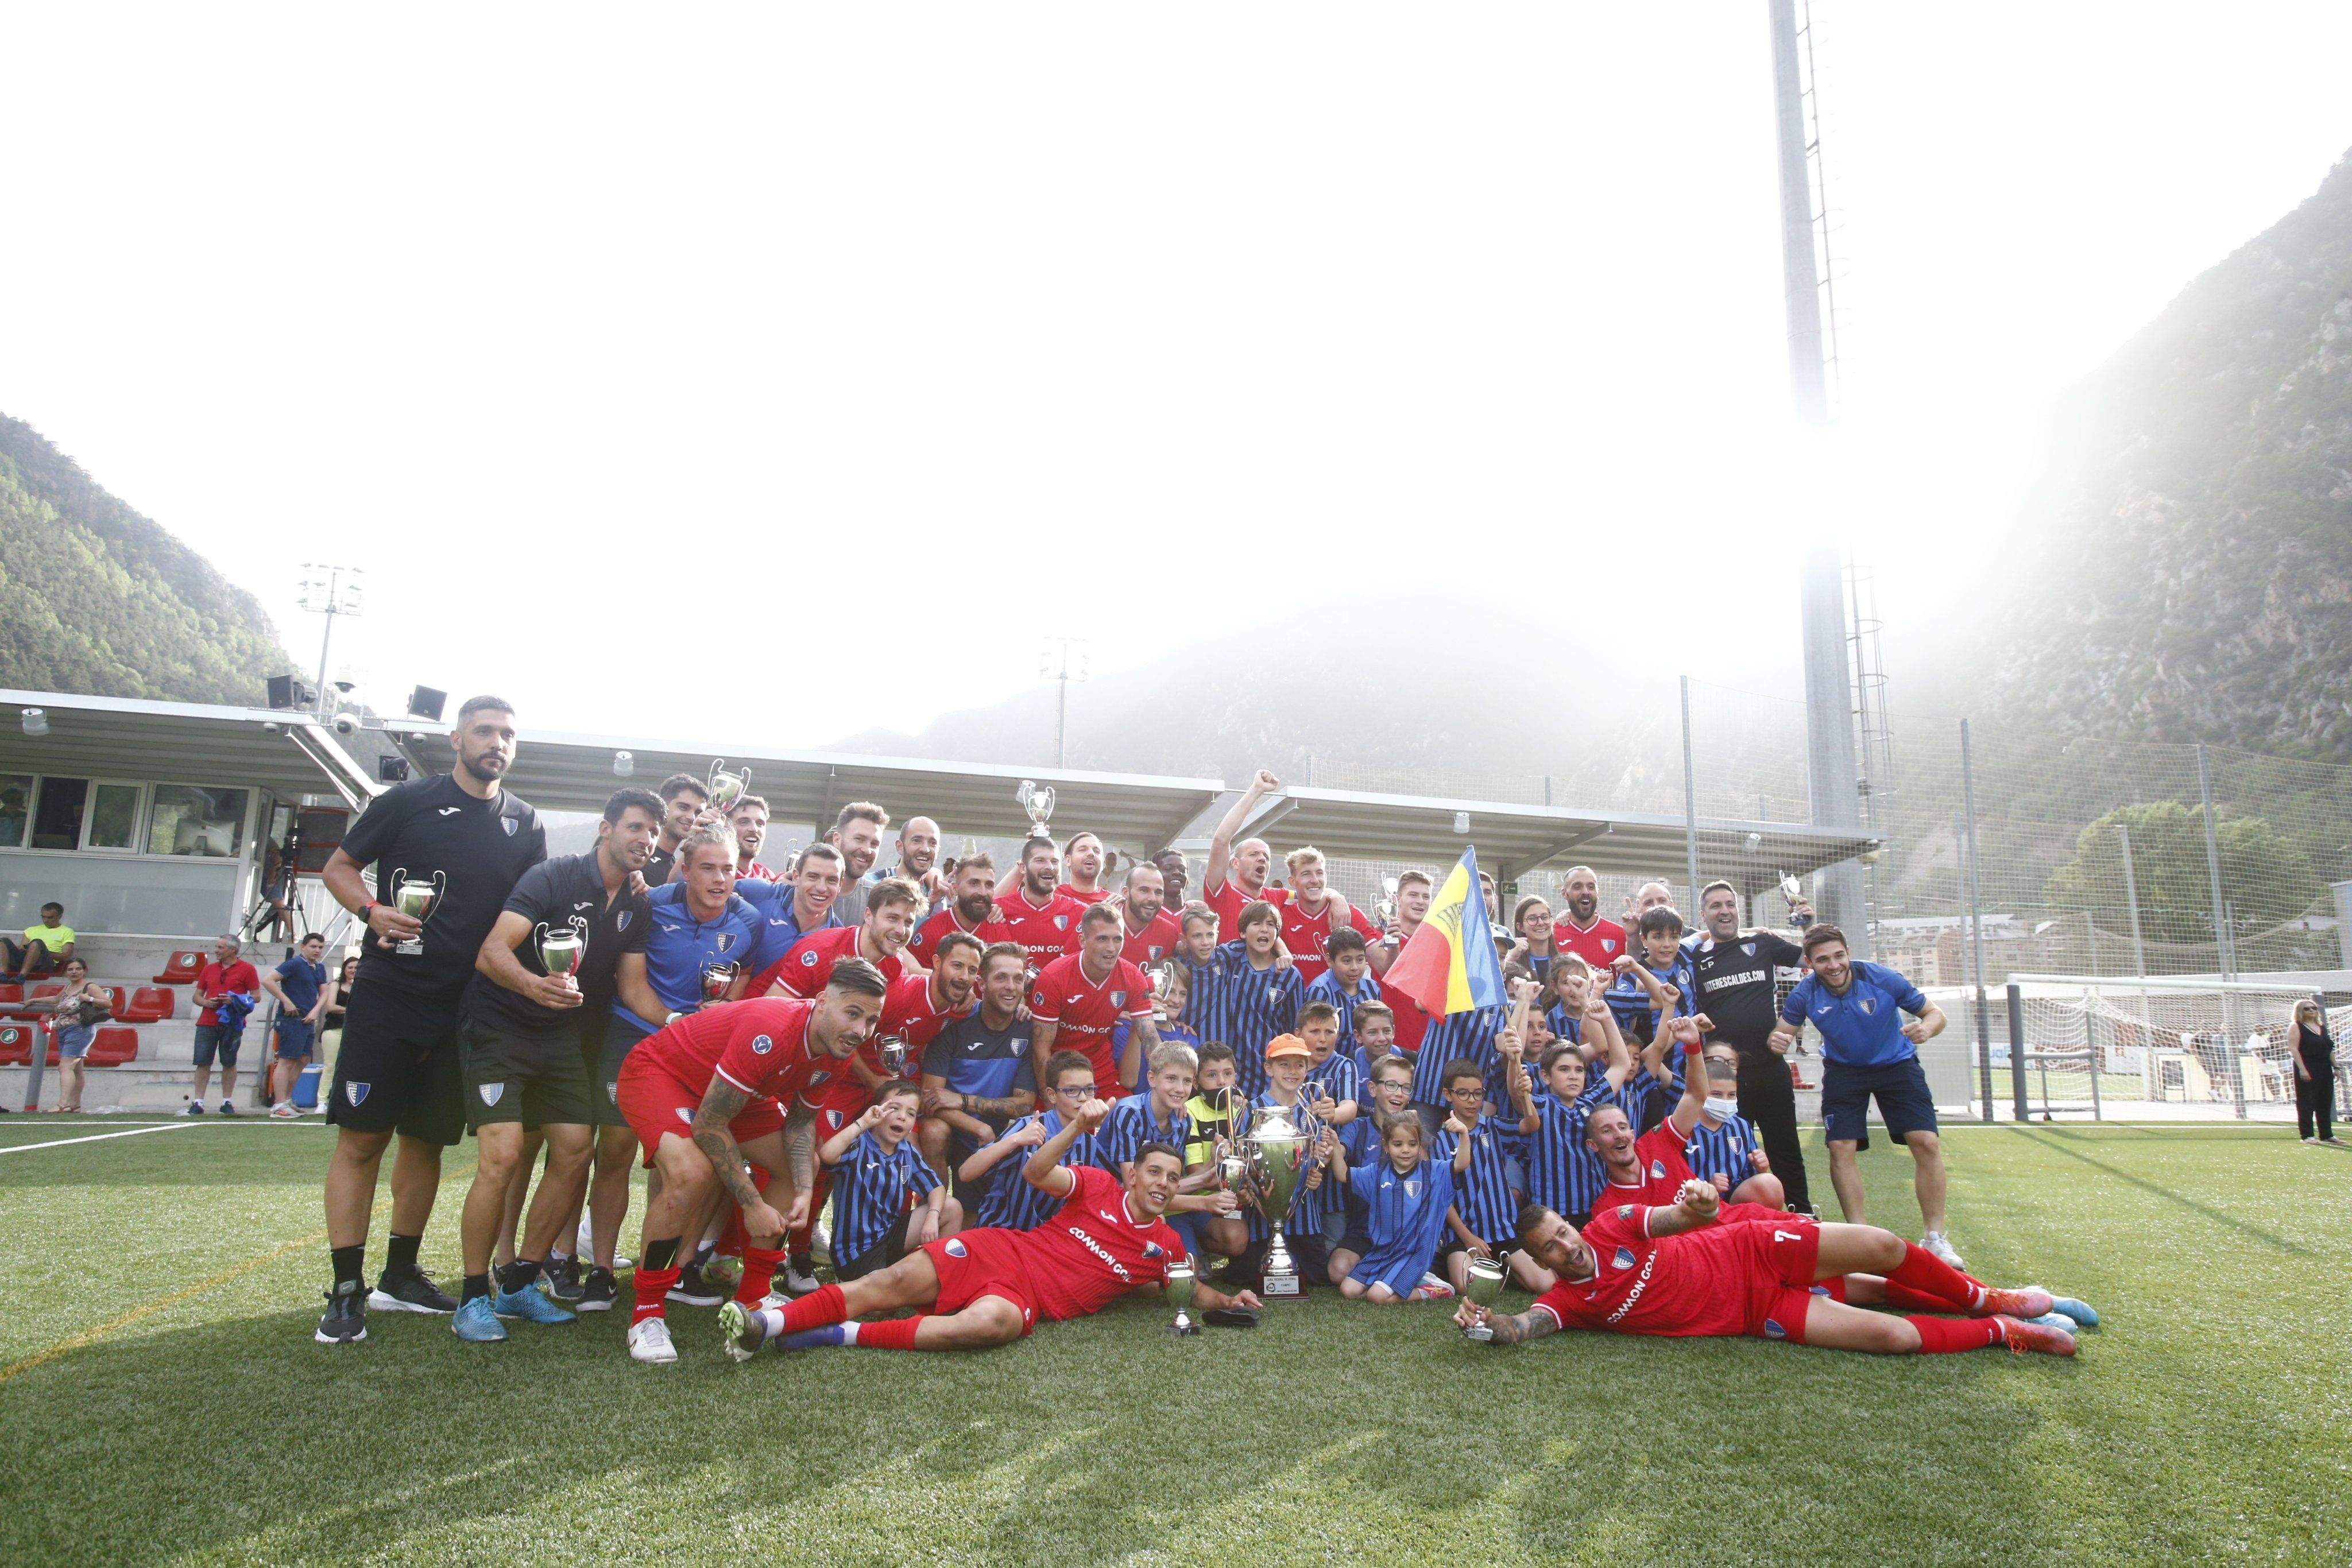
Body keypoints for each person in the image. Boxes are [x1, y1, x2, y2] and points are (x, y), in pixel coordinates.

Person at [316, 695, 547, 1345]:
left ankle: (399, 1275)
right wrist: (370, 911)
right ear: (456, 739)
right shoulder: (406, 802)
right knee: (362, 1140)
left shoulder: (525, 823)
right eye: (484, 731)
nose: (497, 742)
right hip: (390, 995)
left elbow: (538, 902)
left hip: (467, 1008)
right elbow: (338, 868)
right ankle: (345, 1288)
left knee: (425, 1142)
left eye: (507, 734)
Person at [722, 1101, 1259, 1357]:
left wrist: (1229, 1300)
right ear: (1133, 1175)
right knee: (886, 1284)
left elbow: (1192, 1291)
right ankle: (767, 1323)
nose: (1163, 1184)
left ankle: (838, 1333)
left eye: (1172, 1177)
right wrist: (1075, 1125)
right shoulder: (1097, 1185)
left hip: (1025, 1298)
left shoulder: (1165, 1244)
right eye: (1154, 1173)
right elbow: (1037, 1172)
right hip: (1000, 1249)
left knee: (988, 1326)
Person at [447, 787, 658, 1341]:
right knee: (502, 1156)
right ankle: (472, 1297)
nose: (646, 839)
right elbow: (492, 950)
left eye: (653, 832)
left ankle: (519, 1284)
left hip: (560, 1036)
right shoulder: (553, 875)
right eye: (635, 826)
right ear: (606, 828)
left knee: (575, 1150)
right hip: (501, 1028)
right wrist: (532, 985)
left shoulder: (637, 903)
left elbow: (634, 988)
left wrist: (683, 1020)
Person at [611, 963, 890, 1363]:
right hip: (664, 1073)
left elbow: (800, 1123)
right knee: (692, 1174)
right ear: (822, 1002)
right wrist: (752, 1204)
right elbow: (710, 1124)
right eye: (853, 1013)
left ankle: (754, 1294)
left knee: (799, 1167)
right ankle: (647, 1311)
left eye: (871, 1020)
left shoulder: (838, 1049)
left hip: (734, 1093)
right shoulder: (773, 1029)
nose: (861, 1030)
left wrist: (805, 1190)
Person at [1456, 1185, 2085, 1357]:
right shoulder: (1570, 1303)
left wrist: (1700, 1205)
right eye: (1551, 1249)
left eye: (1563, 1233)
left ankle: (1989, 1298)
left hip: (1754, 1249)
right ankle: (2005, 1330)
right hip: (1756, 1312)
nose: (1567, 1248)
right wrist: (1486, 1324)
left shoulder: (1612, 1224)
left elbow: (1676, 1218)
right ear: (1541, 1260)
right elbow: (1521, 1326)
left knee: (1881, 1247)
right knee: (1893, 1336)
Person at [1767, 926, 1959, 1265]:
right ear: (1809, 963)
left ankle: (1935, 1238)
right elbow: (1781, 1034)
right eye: (1823, 960)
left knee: (1926, 1141)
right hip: (1844, 1071)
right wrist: (1777, 1041)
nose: (1834, 965)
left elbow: (1935, 1014)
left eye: (1839, 956)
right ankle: (1860, 1239)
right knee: (1841, 1147)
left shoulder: (1882, 978)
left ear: (1848, 953)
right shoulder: (1804, 993)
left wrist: (1926, 1029)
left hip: (1897, 1065)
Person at [1688, 878, 1814, 1212]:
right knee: (1730, 1155)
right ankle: (1737, 1222)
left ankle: (1801, 1214)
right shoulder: (1694, 958)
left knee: (1785, 1149)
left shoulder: (1762, 943)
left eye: (1730, 904)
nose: (1725, 911)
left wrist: (1807, 924)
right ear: (1703, 915)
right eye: (1716, 906)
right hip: (1726, 1079)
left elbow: (1810, 959)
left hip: (1771, 1068)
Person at [917, 941, 1039, 1202]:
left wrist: (964, 1101)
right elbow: (929, 1099)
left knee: (974, 1217)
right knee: (933, 1131)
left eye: (1018, 979)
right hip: (953, 1125)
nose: (1011, 987)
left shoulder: (1027, 1030)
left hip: (991, 1131)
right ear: (981, 984)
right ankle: (934, 1210)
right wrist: (978, 1127)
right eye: (1001, 978)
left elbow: (1024, 1105)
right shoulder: (955, 1023)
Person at [819, 1081, 960, 1281]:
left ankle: (939, 1281)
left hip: (889, 1236)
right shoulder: (860, 1144)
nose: (903, 1116)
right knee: (885, 1295)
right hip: (856, 1252)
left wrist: (932, 1216)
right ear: (877, 1111)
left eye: (911, 1113)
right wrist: (863, 1123)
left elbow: (936, 1187)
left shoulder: (906, 1151)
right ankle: (851, 1280)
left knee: (951, 1208)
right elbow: (826, 1155)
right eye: (894, 1108)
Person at [961, 1051, 1109, 1232]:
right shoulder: (1029, 1126)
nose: (1083, 1098)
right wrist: (1015, 1140)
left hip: (1048, 1237)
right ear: (1052, 1095)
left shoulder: (1089, 1144)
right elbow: (965, 1173)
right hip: (1002, 1229)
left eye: (1089, 1089)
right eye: (1072, 1090)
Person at [1331, 1111, 1466, 1302]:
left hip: (1412, 1256)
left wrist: (1464, 1134)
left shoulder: (1433, 1172)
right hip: (1382, 1252)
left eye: (1412, 1144)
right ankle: (1399, 1283)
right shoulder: (1376, 1173)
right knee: (1349, 1290)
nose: (1406, 1150)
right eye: (1398, 1144)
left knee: (1377, 1297)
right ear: (1386, 1146)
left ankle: (1435, 1289)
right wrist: (1335, 1146)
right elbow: (1342, 1175)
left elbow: (1461, 1164)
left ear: (1420, 1145)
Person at [1028, 901, 1156, 1101]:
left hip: (1099, 1071)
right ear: (1082, 940)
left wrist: (1169, 1090)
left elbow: (1150, 1038)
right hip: (1058, 1072)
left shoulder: (1133, 977)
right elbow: (1041, 1049)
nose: (1111, 948)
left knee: (1128, 1113)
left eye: (1118, 939)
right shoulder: (1054, 977)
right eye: (1102, 939)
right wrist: (1053, 1106)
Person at [1217, 901, 1303, 1098]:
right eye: (1257, 923)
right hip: (1232, 1076)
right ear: (1242, 932)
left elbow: (1294, 1031)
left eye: (1271, 924)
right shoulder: (1230, 963)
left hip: (1269, 1077)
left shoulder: (1290, 976)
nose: (1264, 929)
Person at [979, 837, 1085, 976]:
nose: (1050, 867)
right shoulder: (997, 911)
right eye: (1040, 861)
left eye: (1054, 861)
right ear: (1023, 868)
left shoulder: (1081, 912)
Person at [1202, 769, 1286, 939]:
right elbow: (1221, 840)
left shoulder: (1275, 897)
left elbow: (1310, 892)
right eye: (1254, 854)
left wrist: (1335, 897)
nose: (1262, 859)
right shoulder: (1222, 893)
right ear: (1235, 863)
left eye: (1266, 857)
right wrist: (1256, 789)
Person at [1273, 847, 1374, 984]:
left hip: (1334, 999)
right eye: (1306, 874)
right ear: (1292, 881)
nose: (1315, 880)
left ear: (1325, 877)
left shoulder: (1349, 914)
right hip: (1291, 998)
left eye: (1319, 873)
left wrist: (1393, 942)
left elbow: (1383, 965)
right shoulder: (1280, 917)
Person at [260, 933, 333, 1117]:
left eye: (320, 947)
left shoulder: (319, 967)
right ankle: (279, 1104)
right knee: (287, 1060)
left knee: (302, 1060)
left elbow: (324, 991)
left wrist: (315, 1011)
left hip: (307, 1018)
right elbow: (268, 980)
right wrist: (286, 1001)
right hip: (291, 1018)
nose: (317, 950)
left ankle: (287, 1100)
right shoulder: (294, 964)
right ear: (303, 947)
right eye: (313, 947)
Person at [187, 934, 259, 1117]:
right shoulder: (209, 969)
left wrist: (233, 1000)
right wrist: (206, 1002)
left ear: (233, 950)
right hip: (207, 1021)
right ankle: (198, 1102)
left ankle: (227, 1101)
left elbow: (256, 996)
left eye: (220, 948)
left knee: (229, 1061)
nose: (216, 951)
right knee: (202, 1062)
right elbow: (197, 996)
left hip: (232, 1023)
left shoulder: (247, 969)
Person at [41, 958, 110, 1113]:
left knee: (65, 1066)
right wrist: (33, 1000)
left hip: (80, 1029)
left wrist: (89, 998)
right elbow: (55, 1000)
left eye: (78, 969)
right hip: (64, 1030)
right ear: (66, 972)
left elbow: (108, 1003)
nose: (74, 972)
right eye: (70, 969)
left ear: (84, 971)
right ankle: (75, 1105)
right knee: (77, 1070)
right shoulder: (68, 987)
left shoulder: (90, 986)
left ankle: (63, 1104)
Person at [910, 854, 996, 969]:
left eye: (989, 885)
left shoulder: (999, 927)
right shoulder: (931, 933)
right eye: (974, 883)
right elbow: (913, 977)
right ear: (955, 889)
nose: (983, 892)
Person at [1550, 866, 1626, 976]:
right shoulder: (1552, 934)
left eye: (1591, 887)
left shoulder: (1620, 934)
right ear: (1565, 894)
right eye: (1577, 887)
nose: (1585, 892)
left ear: (1598, 893)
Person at [825, 802, 891, 927]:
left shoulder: (879, 899)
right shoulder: (802, 890)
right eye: (859, 839)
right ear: (837, 840)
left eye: (874, 844)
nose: (867, 850)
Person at [642, 773, 711, 889]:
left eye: (698, 813)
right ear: (663, 807)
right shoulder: (639, 855)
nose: (692, 817)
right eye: (683, 807)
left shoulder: (677, 865)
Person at [1114, 860, 1182, 969]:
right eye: (1144, 890)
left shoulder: (1169, 932)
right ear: (1126, 892)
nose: (1152, 898)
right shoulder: (1105, 925)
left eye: (1158, 892)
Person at [2291, 998, 2338, 1144]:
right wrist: (2302, 1069)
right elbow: (2294, 1049)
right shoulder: (2296, 1026)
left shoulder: (2321, 1026)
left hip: (2324, 1067)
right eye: (2307, 1009)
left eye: (2314, 1008)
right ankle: (2307, 1135)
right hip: (2307, 1066)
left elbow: (2329, 1048)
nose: (2312, 1010)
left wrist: (2336, 1067)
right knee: (2307, 1101)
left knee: (2325, 1100)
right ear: (2300, 1011)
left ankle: (2327, 1135)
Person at [5, 901, 75, 977]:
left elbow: (66, 956)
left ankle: (22, 976)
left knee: (37, 943)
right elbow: (22, 948)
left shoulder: (67, 931)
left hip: (45, 964)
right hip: (24, 960)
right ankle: (2, 974)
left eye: (50, 918)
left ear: (60, 917)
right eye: (43, 917)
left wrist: (40, 952)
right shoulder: (31, 930)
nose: (46, 920)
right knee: (4, 941)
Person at [729, 795, 779, 881]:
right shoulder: (716, 875)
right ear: (726, 827)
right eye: (744, 822)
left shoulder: (768, 876)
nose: (754, 829)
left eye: (760, 824)